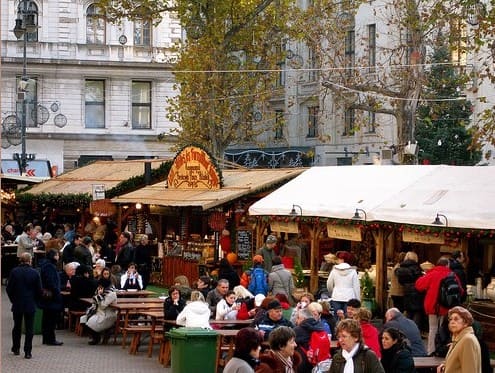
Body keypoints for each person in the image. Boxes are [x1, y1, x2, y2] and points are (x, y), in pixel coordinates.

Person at [415, 257, 463, 355]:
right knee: (444, 329)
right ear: (447, 265)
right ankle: (443, 350)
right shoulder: (453, 275)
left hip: (433, 306)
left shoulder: (432, 273)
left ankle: (431, 351)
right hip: (447, 306)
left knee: (433, 328)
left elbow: (419, 285)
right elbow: (460, 291)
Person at [6, 252, 42, 359]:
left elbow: (9, 288)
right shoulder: (35, 273)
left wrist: (13, 300)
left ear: (20, 260)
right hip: (30, 303)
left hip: (17, 303)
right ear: (30, 260)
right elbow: (39, 290)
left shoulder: (14, 272)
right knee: (29, 328)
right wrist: (35, 300)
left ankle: (16, 348)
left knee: (17, 326)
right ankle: (28, 351)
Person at [436, 306, 481, 373]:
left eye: (456, 319)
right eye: (450, 319)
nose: (452, 322)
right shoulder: (458, 339)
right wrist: (444, 367)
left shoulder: (468, 340)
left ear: (466, 323)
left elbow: (470, 370)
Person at [81, 277, 118, 345]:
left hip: (107, 314)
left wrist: (99, 295)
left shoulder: (111, 294)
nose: (99, 287)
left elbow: (103, 306)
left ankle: (96, 338)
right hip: (98, 312)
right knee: (83, 320)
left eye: (100, 286)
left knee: (90, 323)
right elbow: (93, 301)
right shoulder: (100, 291)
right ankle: (96, 335)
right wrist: (98, 295)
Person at [39, 249, 64, 346]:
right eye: (57, 255)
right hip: (51, 296)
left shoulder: (46, 265)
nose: (58, 257)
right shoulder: (50, 267)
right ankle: (50, 339)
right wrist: (57, 292)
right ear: (53, 256)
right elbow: (51, 282)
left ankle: (46, 338)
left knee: (46, 318)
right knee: (51, 318)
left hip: (48, 296)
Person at [293, 307, 328, 373]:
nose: (296, 321)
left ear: (304, 319)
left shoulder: (298, 330)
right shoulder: (320, 326)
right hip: (319, 361)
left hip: (303, 361)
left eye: (298, 318)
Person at [395, 251, 424, 327]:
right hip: (417, 293)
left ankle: (407, 331)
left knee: (409, 312)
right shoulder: (416, 267)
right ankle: (414, 331)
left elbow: (401, 281)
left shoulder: (401, 269)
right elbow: (420, 280)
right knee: (417, 313)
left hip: (406, 292)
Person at [326, 251, 360, 316]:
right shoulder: (353, 271)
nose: (338, 260)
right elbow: (356, 287)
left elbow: (329, 283)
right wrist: (358, 300)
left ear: (342, 259)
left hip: (336, 296)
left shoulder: (334, 270)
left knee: (337, 317)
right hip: (349, 297)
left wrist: (332, 292)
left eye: (338, 259)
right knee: (348, 316)